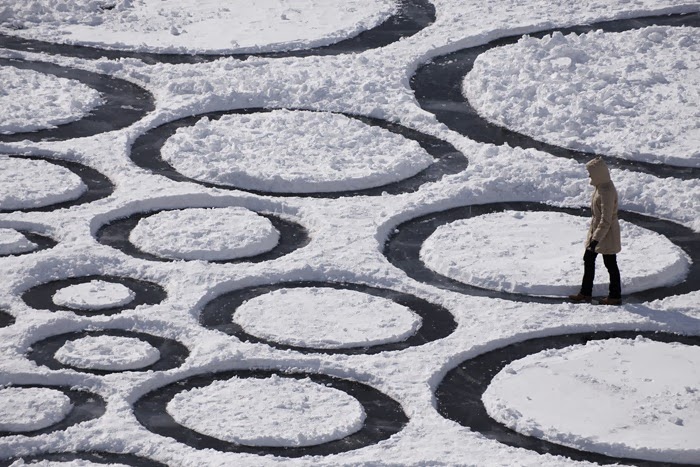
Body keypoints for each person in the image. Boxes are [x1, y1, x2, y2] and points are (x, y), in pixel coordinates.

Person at [569, 157, 622, 305]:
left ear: (598, 173)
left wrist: (595, 240)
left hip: (607, 234)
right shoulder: (601, 186)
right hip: (599, 232)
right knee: (589, 260)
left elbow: (606, 219)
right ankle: (586, 293)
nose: (589, 176)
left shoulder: (606, 191)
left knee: (610, 264)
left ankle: (614, 296)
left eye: (591, 173)